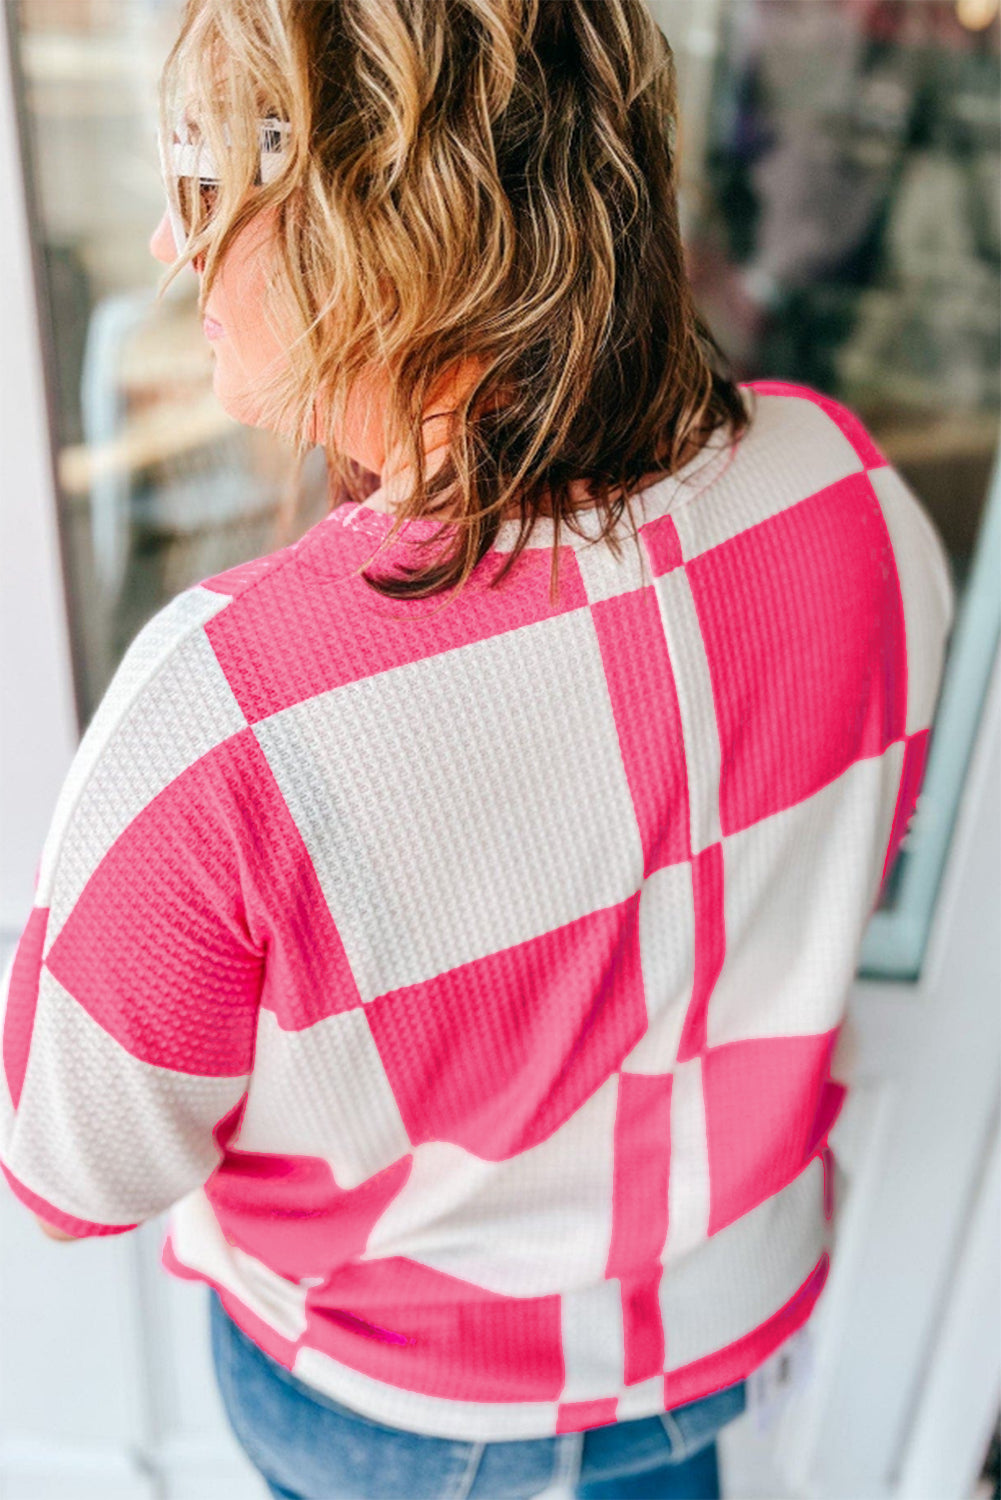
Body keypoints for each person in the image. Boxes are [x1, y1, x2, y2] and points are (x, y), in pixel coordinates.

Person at [0, 1, 955, 1497]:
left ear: (373, 221)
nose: (170, 251)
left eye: (202, 178)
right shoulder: (847, 494)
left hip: (404, 1412)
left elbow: (69, 1175)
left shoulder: (218, 717)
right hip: (715, 1343)